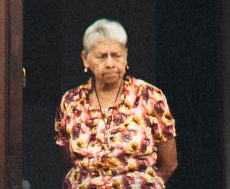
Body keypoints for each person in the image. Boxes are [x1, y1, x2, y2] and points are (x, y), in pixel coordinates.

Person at [54, 19, 178, 189]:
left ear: (125, 56)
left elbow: (169, 163)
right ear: (85, 59)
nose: (110, 64)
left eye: (116, 55)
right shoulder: (71, 102)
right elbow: (68, 158)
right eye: (102, 57)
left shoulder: (149, 96)